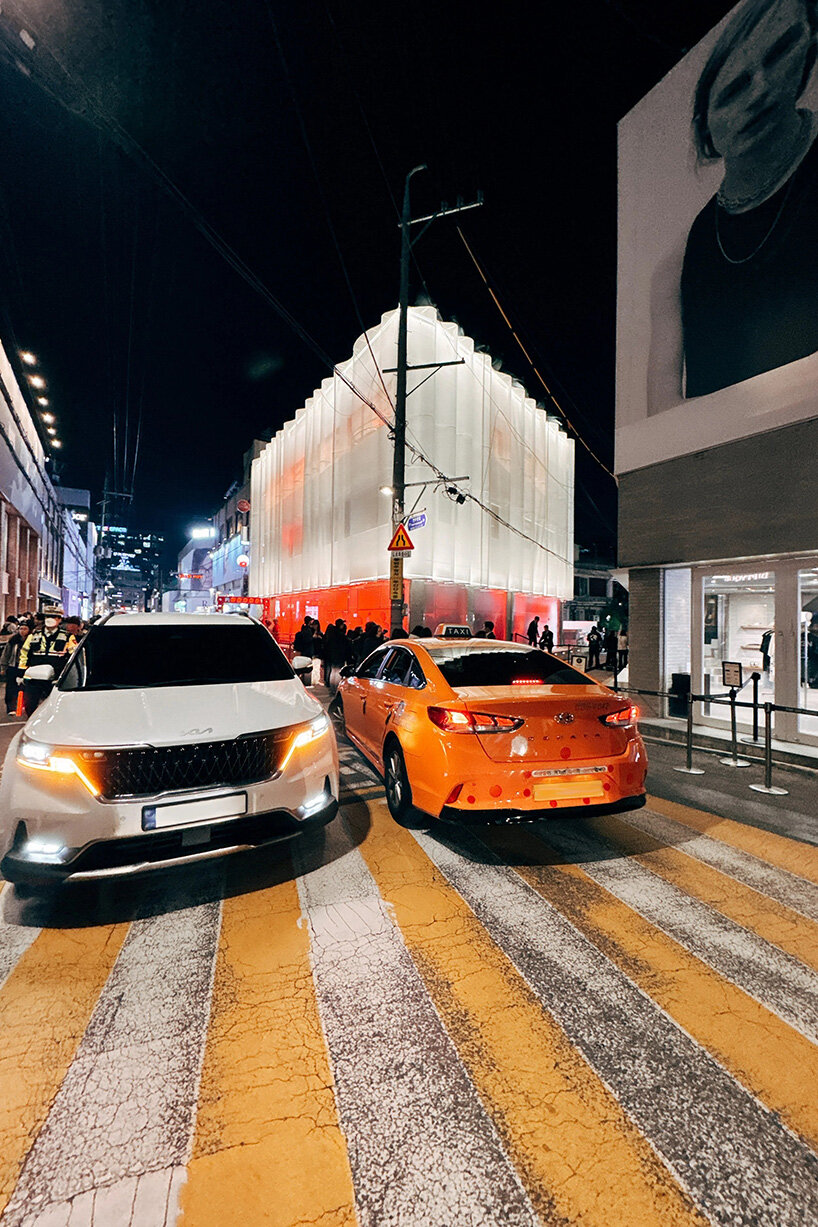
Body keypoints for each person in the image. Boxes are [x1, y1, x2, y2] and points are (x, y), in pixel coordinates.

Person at [682, 0, 818, 398]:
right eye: (735, 89)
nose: (761, 91)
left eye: (781, 52)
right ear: (704, 129)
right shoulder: (698, 243)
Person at [18, 606, 77, 716]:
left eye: (54, 617)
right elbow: (24, 652)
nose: (50, 619)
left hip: (55, 678)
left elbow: (74, 655)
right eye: (48, 616)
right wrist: (21, 671)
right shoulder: (34, 635)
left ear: (59, 619)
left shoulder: (67, 636)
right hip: (34, 677)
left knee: (55, 706)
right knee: (29, 704)